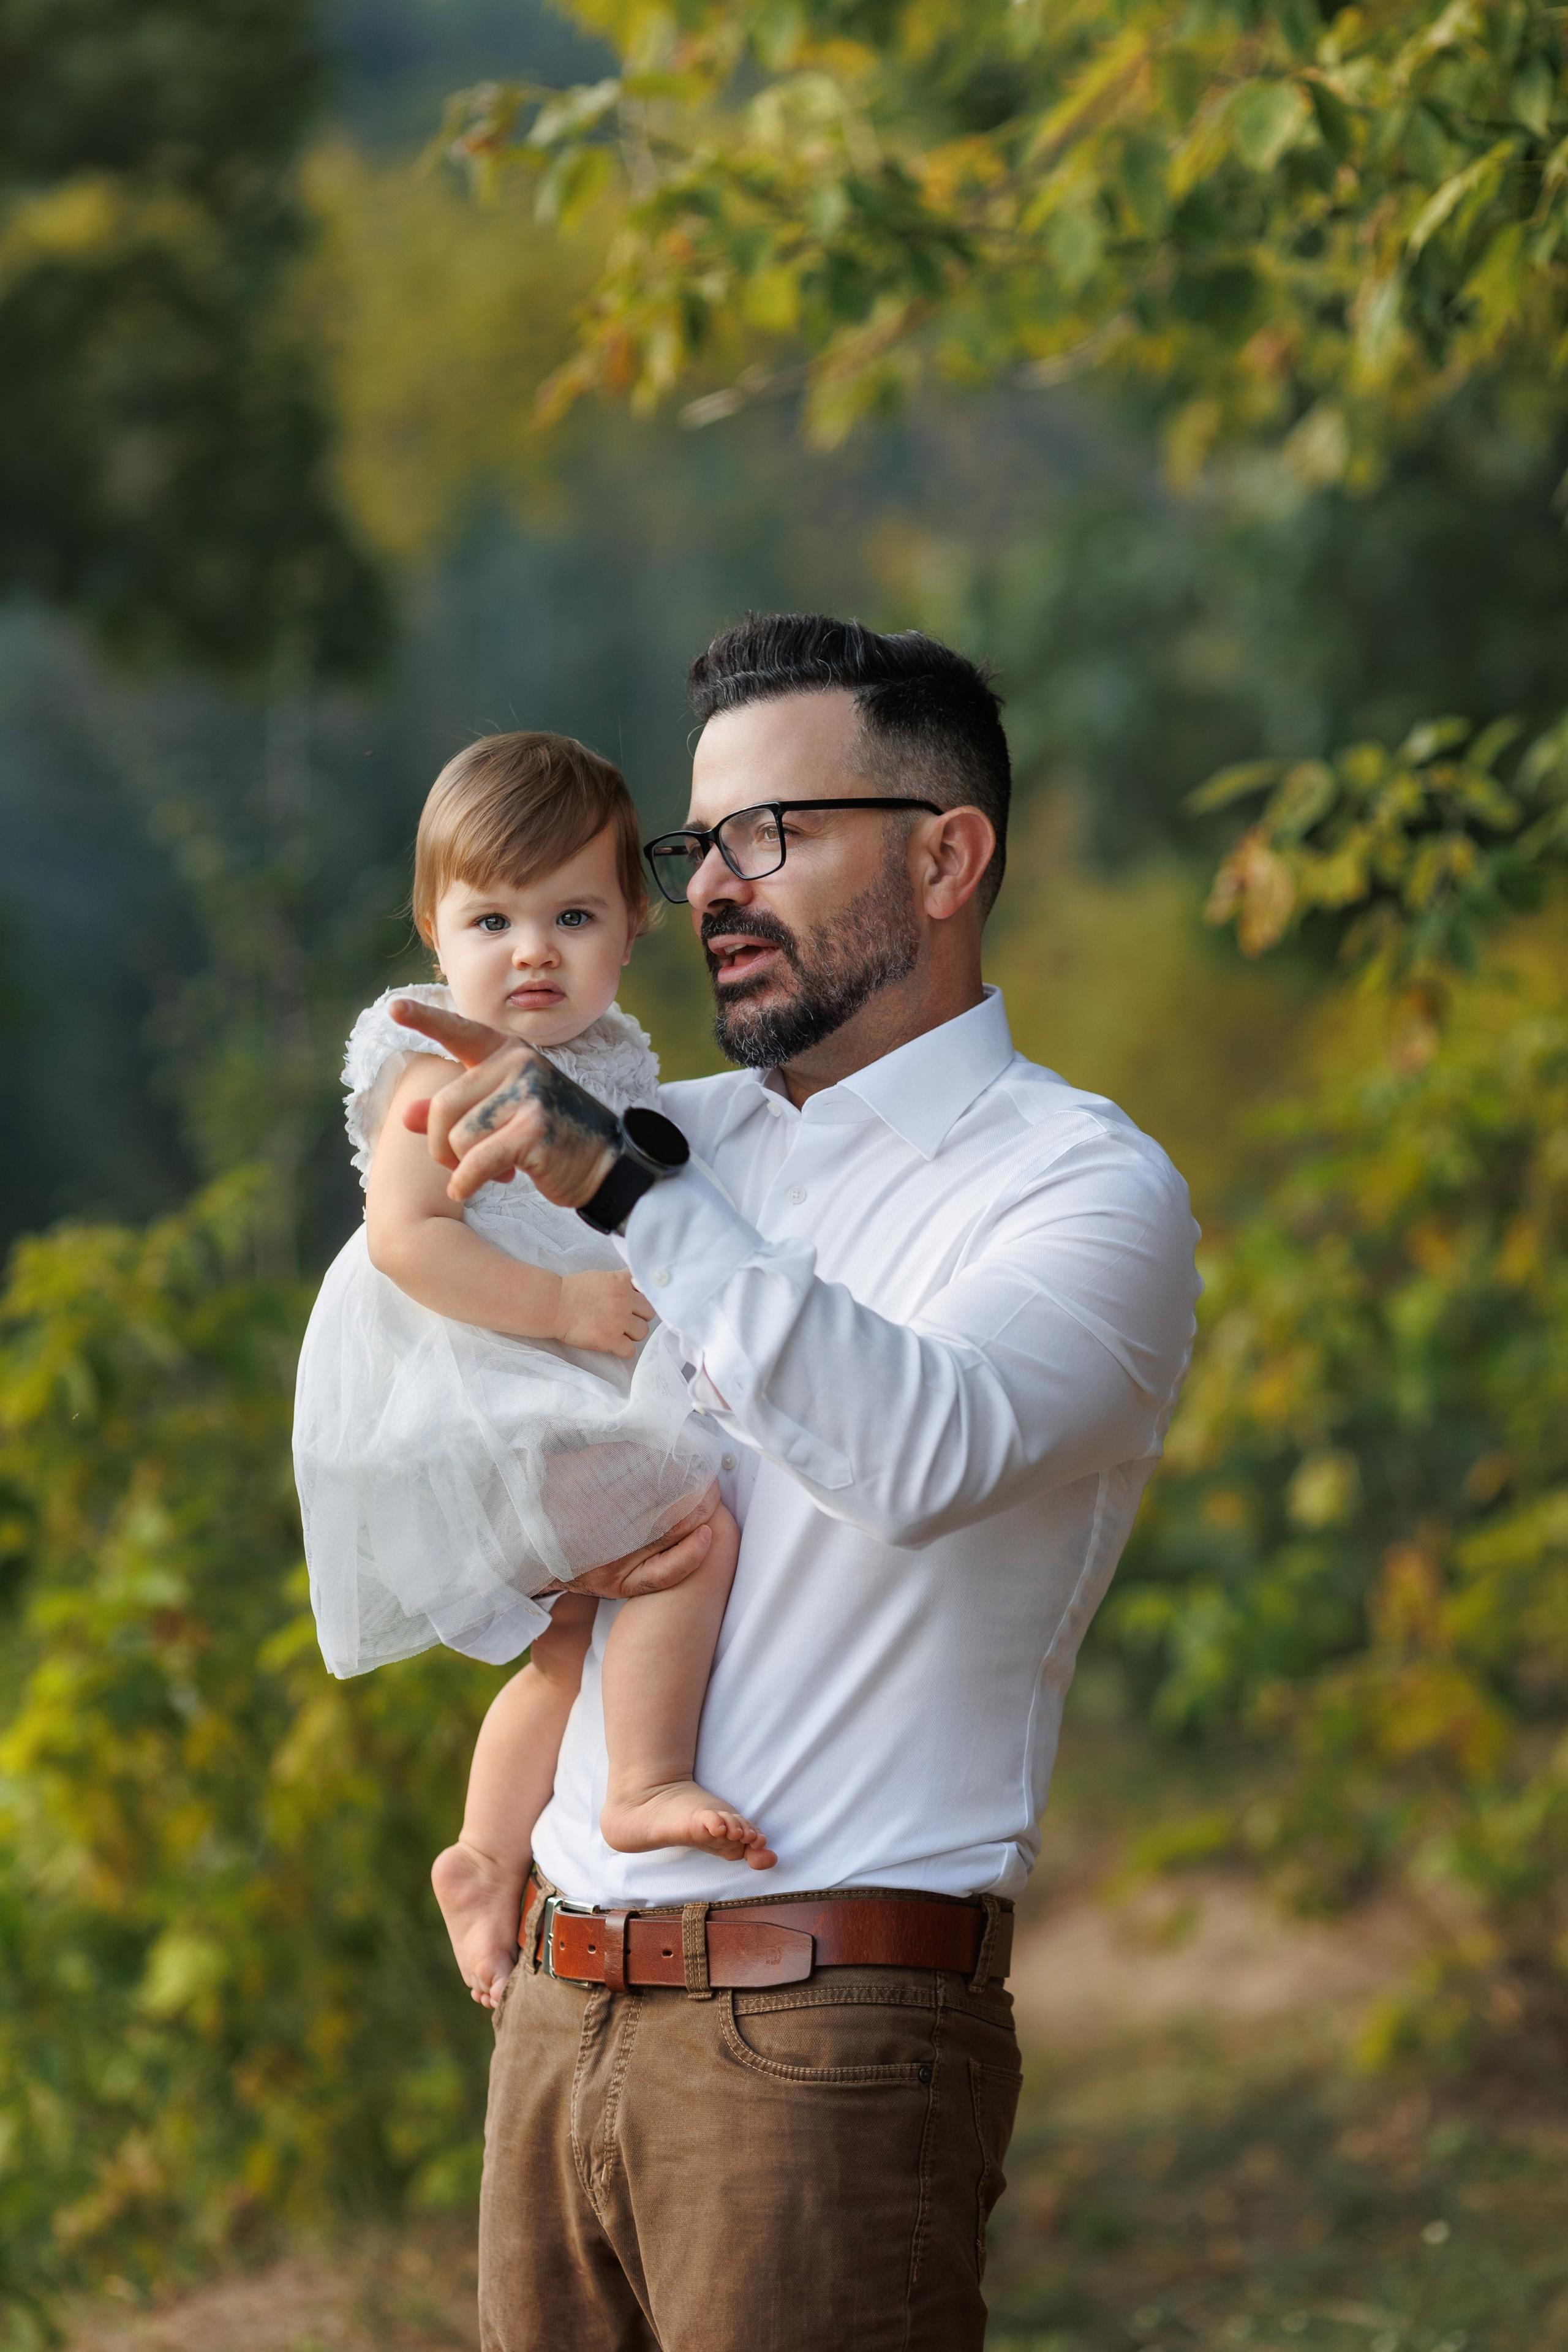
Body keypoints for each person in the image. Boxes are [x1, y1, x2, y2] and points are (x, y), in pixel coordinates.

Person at [396, 615, 1203, 2352]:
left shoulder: (1081, 1191)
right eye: (697, 847)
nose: (708, 890)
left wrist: (636, 1204)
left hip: (826, 2033)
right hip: (554, 2011)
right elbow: (435, 1391)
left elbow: (924, 1456)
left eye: (773, 834)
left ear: (945, 855)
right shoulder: (661, 1127)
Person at [292, 731, 775, 2011]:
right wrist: (563, 1305)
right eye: (491, 917)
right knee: (690, 1526)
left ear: (634, 927)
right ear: (432, 931)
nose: (532, 951)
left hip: (533, 1386)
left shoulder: (616, 1060)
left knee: (567, 1633)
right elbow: (406, 1238)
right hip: (475, 1387)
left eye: (572, 913)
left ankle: (485, 1856)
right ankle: (639, 1781)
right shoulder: (426, 1052)